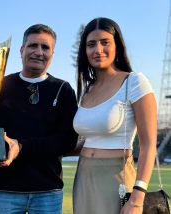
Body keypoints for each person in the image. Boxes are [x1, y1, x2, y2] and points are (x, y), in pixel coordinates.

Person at [0, 24, 78, 213]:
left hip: (47, 192)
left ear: (52, 53)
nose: (38, 52)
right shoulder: (0, 85)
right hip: (6, 190)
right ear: (21, 50)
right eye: (33, 45)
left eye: (45, 47)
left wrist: (21, 146)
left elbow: (68, 141)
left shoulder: (63, 89)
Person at [72, 17, 157, 214]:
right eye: (91, 44)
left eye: (105, 42)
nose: (98, 50)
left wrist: (137, 197)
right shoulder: (87, 89)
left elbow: (148, 143)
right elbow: (89, 141)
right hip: (83, 176)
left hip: (116, 179)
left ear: (117, 45)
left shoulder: (134, 82)